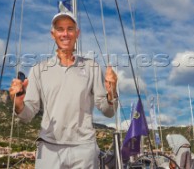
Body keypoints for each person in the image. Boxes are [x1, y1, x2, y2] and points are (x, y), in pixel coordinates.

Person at [9, 11, 118, 168]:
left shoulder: (92, 67)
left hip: (84, 149)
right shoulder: (39, 69)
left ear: (77, 33)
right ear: (53, 34)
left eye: (70, 29)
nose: (65, 34)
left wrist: (112, 92)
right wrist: (18, 104)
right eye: (60, 29)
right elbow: (27, 115)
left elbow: (108, 111)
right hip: (49, 149)